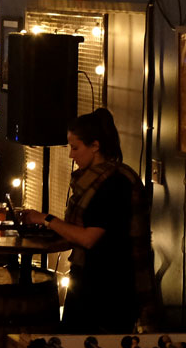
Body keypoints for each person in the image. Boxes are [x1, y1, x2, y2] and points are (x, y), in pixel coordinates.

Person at [20, 109, 151, 333]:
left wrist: (46, 219)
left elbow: (89, 238)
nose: (71, 155)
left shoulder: (114, 184)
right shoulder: (95, 180)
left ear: (95, 146)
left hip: (108, 287)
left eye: (75, 147)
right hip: (90, 279)